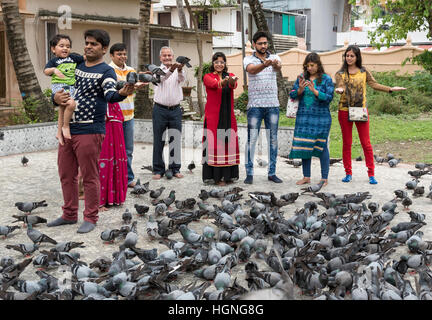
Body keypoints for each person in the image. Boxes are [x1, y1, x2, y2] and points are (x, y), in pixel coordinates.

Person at [48, 29, 136, 233]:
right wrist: (55, 99)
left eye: (94, 44)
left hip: (90, 130)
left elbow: (110, 94)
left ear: (104, 49)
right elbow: (59, 86)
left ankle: (90, 217)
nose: (88, 46)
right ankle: (69, 214)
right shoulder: (76, 64)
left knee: (89, 175)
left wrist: (122, 93)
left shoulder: (107, 71)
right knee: (66, 173)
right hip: (67, 130)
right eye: (87, 43)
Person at [335, 45, 406, 184]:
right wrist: (339, 90)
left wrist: (390, 89)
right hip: (344, 111)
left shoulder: (363, 71)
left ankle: (371, 174)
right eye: (347, 55)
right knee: (347, 143)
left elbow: (374, 84)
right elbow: (341, 86)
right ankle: (348, 173)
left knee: (366, 143)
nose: (349, 58)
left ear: (357, 57)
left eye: (352, 56)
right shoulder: (340, 73)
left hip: (360, 111)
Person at [289, 53, 334, 186]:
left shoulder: (326, 79)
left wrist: (315, 91)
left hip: (321, 119)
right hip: (304, 118)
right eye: (307, 65)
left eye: (312, 65)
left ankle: (324, 178)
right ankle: (306, 177)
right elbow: (292, 94)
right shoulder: (302, 78)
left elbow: (329, 97)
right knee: (305, 146)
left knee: (322, 146)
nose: (309, 68)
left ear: (318, 65)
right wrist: (300, 90)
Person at [243, 31, 283, 185]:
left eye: (265, 43)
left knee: (273, 140)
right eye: (260, 43)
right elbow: (252, 70)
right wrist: (264, 64)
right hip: (255, 106)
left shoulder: (275, 57)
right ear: (254, 44)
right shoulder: (248, 59)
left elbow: (278, 67)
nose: (263, 46)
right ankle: (249, 173)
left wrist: (274, 63)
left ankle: (272, 173)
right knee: (252, 139)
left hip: (272, 105)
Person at [202, 52, 240, 186]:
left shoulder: (229, 75)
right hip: (213, 117)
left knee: (228, 143)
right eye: (217, 62)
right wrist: (223, 81)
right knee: (215, 144)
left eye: (222, 62)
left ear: (225, 64)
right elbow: (213, 84)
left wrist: (232, 80)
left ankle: (228, 176)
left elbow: (233, 85)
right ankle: (217, 178)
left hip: (228, 116)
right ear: (213, 63)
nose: (219, 64)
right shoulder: (207, 76)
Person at [152, 46, 186, 180]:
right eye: (164, 56)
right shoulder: (156, 70)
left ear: (173, 56)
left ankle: (175, 168)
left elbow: (182, 79)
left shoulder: (179, 70)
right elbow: (160, 79)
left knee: (175, 139)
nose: (167, 58)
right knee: (158, 140)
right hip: (160, 109)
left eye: (169, 55)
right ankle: (158, 169)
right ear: (160, 58)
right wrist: (172, 69)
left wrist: (180, 68)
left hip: (175, 110)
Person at [44, 34, 84, 145]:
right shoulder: (54, 61)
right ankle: (65, 126)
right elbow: (45, 71)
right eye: (61, 46)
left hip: (71, 87)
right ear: (53, 49)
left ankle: (58, 132)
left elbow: (85, 58)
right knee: (71, 104)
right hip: (59, 87)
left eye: (68, 46)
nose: (65, 48)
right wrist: (53, 70)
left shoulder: (73, 58)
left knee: (62, 109)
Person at [109, 43, 137, 188]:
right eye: (119, 54)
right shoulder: (107, 70)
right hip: (114, 116)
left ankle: (128, 178)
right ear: (112, 55)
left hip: (129, 115)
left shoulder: (131, 70)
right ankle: (114, 179)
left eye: (124, 54)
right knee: (113, 150)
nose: (123, 57)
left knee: (128, 150)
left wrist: (134, 86)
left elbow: (132, 91)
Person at [98, 102, 128, 210]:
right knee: (104, 161)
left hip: (116, 124)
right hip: (104, 123)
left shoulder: (114, 92)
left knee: (117, 159)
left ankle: (116, 197)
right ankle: (100, 201)